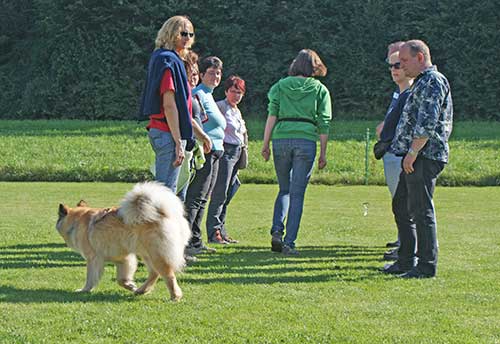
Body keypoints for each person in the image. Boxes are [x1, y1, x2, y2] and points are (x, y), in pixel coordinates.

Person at [381, 40, 453, 278]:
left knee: (421, 210)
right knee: (402, 205)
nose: (400, 65)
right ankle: (405, 261)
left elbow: (427, 122)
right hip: (414, 155)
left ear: (420, 58)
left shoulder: (433, 81)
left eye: (405, 60)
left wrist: (412, 153)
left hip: (424, 155)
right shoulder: (422, 82)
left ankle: (426, 265)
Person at [261, 49, 332, 255]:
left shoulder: (280, 86)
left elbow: (272, 115)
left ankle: (277, 229)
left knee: (284, 189)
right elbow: (324, 122)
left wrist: (265, 143)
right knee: (297, 194)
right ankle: (289, 242)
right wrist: (323, 153)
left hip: (281, 138)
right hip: (306, 139)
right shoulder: (320, 89)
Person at [139, 16, 195, 192]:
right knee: (165, 195)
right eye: (183, 33)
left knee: (168, 194)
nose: (187, 38)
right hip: (167, 133)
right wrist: (178, 141)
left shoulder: (162, 57)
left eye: (191, 34)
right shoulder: (167, 60)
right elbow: (169, 104)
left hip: (163, 132)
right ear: (171, 33)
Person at [375, 44, 414, 261]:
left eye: (398, 65)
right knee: (398, 201)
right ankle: (403, 242)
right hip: (391, 152)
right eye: (390, 66)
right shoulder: (398, 93)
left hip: (401, 154)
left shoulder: (410, 93)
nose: (393, 70)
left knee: (406, 203)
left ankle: (408, 248)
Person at [185, 56, 226, 255]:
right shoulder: (198, 93)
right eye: (211, 72)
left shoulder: (209, 95)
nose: (215, 76)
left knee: (203, 198)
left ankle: (196, 240)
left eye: (218, 73)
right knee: (195, 197)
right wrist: (204, 140)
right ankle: (185, 242)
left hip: (216, 150)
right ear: (201, 75)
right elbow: (199, 121)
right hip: (206, 151)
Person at [206, 75, 248, 244]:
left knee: (230, 190)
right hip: (225, 151)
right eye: (233, 91)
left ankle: (222, 229)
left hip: (237, 152)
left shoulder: (237, 110)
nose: (236, 95)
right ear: (226, 91)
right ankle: (214, 231)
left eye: (239, 92)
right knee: (220, 192)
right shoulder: (220, 107)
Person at [177, 50, 212, 201]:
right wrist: (205, 137)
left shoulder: (191, 93)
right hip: (182, 146)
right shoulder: (183, 91)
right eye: (190, 73)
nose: (194, 77)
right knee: (177, 194)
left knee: (184, 194)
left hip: (191, 147)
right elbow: (188, 119)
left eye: (196, 73)